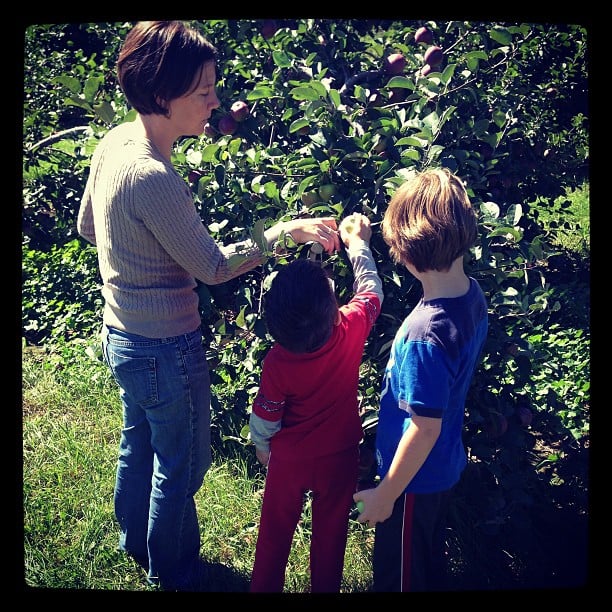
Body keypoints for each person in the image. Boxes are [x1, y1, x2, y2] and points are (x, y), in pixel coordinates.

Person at [76, 20, 341, 592]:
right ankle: (171, 570)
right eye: (203, 93)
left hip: (122, 332)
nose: (215, 101)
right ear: (162, 95)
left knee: (139, 437)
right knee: (182, 466)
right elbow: (214, 268)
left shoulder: (115, 142)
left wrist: (135, 262)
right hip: (164, 347)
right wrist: (283, 233)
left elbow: (87, 227)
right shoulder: (152, 176)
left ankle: (134, 539)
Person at [353, 167, 488, 592]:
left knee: (400, 576)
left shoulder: (422, 336)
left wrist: (386, 494)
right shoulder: (471, 295)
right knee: (426, 556)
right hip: (442, 467)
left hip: (413, 481)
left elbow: (423, 427)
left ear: (408, 255)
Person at [248, 213, 384, 593]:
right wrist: (358, 243)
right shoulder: (352, 326)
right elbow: (372, 291)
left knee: (274, 532)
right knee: (331, 533)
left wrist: (262, 447)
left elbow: (266, 413)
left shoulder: (279, 359)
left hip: (289, 459)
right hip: (339, 454)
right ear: (332, 302)